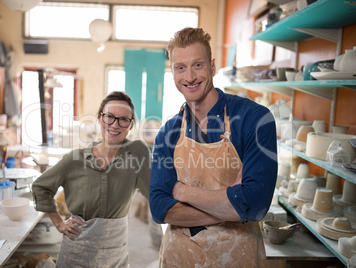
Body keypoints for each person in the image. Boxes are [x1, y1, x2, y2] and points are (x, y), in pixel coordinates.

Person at [149, 27, 277, 267]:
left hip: (237, 258)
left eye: (197, 65)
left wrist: (182, 192)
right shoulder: (168, 132)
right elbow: (158, 209)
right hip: (181, 258)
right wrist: (233, 207)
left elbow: (256, 205)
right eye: (180, 68)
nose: (189, 77)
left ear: (212, 66)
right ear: (173, 72)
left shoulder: (255, 119)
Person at [32, 91, 151, 267]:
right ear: (99, 118)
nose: (115, 125)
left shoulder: (137, 153)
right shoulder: (75, 159)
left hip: (115, 251)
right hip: (76, 249)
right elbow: (40, 187)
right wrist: (59, 223)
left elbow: (155, 192)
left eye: (124, 119)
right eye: (109, 117)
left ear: (131, 125)